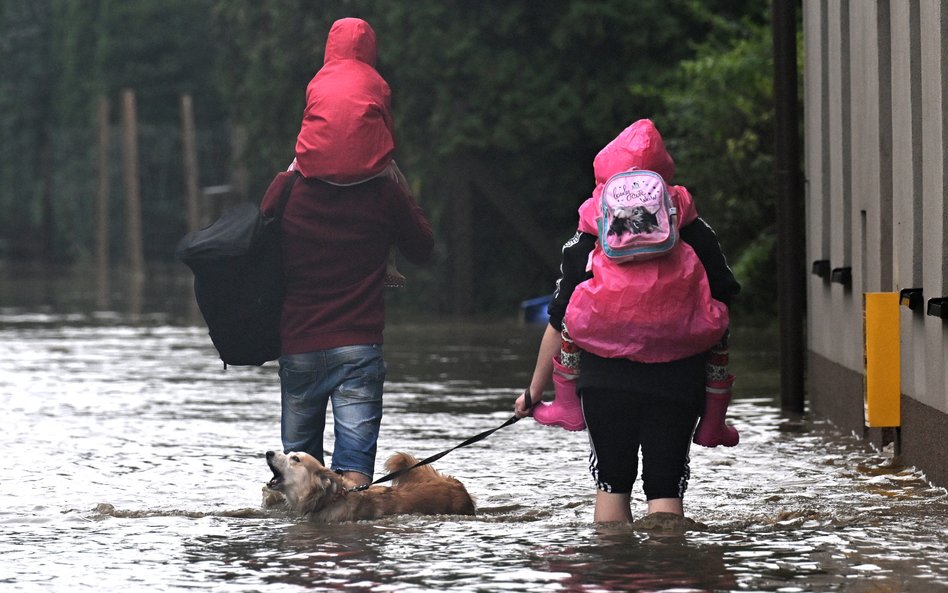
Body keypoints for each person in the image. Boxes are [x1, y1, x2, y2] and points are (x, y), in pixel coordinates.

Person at [514, 119, 740, 524]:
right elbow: (724, 296)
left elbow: (558, 317)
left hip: (603, 379)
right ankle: (670, 572)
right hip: (679, 376)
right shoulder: (692, 227)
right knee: (666, 487)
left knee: (612, 486)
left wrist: (534, 391)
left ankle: (613, 574)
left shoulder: (589, 230)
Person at [263, 17, 434, 488]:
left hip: (297, 345)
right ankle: (353, 556)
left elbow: (257, 239)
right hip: (359, 346)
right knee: (355, 481)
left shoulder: (289, 187)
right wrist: (399, 187)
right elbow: (423, 248)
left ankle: (302, 559)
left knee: (295, 481)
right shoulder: (384, 194)